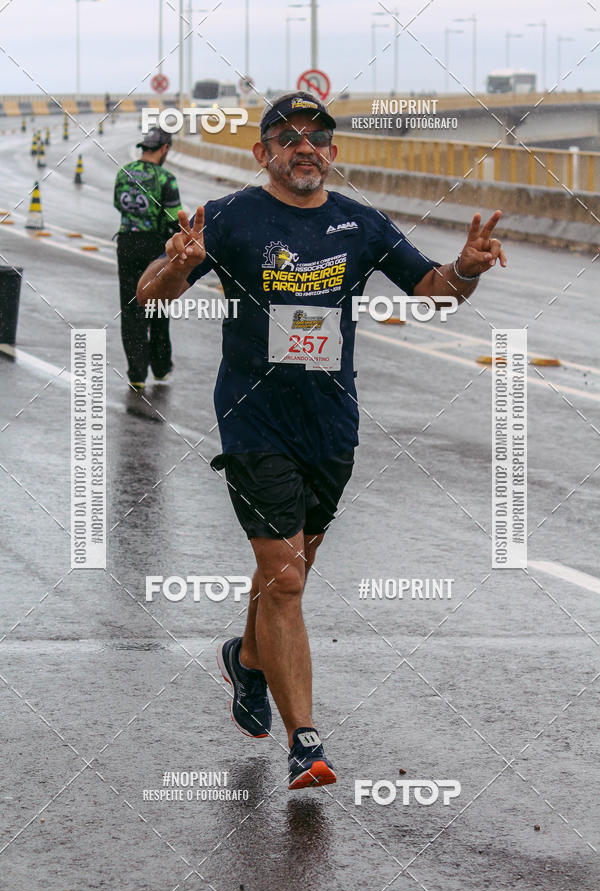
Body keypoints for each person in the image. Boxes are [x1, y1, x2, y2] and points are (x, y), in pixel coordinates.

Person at [137, 91, 507, 789]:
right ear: (263, 153)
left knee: (291, 568)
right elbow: (149, 294)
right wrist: (180, 264)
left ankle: (246, 660)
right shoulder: (229, 216)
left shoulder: (358, 222)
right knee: (285, 577)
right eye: (288, 137)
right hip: (253, 419)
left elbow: (430, 289)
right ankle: (305, 742)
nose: (305, 147)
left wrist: (466, 270)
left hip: (331, 422)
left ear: (333, 153)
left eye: (317, 138)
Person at [114, 127, 183, 389]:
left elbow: (118, 205)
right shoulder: (167, 178)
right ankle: (161, 368)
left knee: (131, 307)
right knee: (158, 305)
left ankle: (136, 373)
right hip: (155, 245)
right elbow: (174, 218)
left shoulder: (124, 172)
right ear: (164, 148)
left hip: (127, 243)